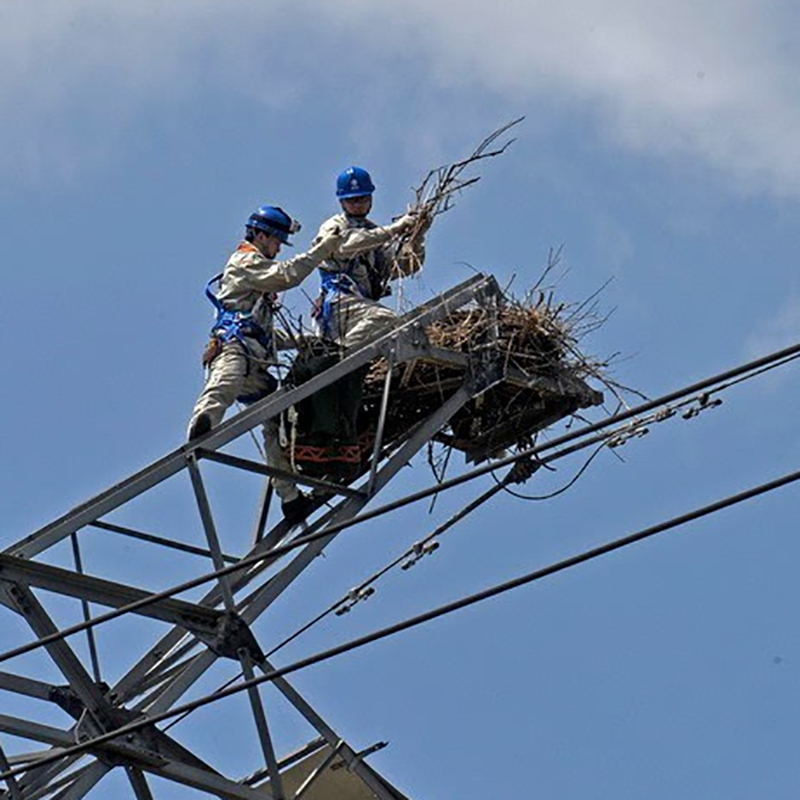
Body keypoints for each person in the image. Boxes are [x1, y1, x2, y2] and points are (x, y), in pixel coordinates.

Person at [188, 204, 338, 524]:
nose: (279, 248)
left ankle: (289, 496)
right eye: (276, 241)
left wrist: (303, 342)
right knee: (225, 381)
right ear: (259, 234)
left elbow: (266, 333)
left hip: (256, 361)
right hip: (235, 347)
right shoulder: (245, 261)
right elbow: (288, 276)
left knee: (277, 422)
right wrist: (322, 249)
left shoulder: (257, 283)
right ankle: (202, 424)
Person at [313, 166, 430, 350]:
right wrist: (394, 229)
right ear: (342, 202)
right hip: (340, 304)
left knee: (390, 332)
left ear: (371, 198)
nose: (358, 204)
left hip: (361, 307)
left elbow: (404, 266)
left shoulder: (375, 234)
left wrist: (417, 236)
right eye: (352, 200)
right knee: (384, 319)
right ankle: (337, 360)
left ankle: (342, 356)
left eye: (363, 198)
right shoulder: (334, 226)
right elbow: (346, 246)